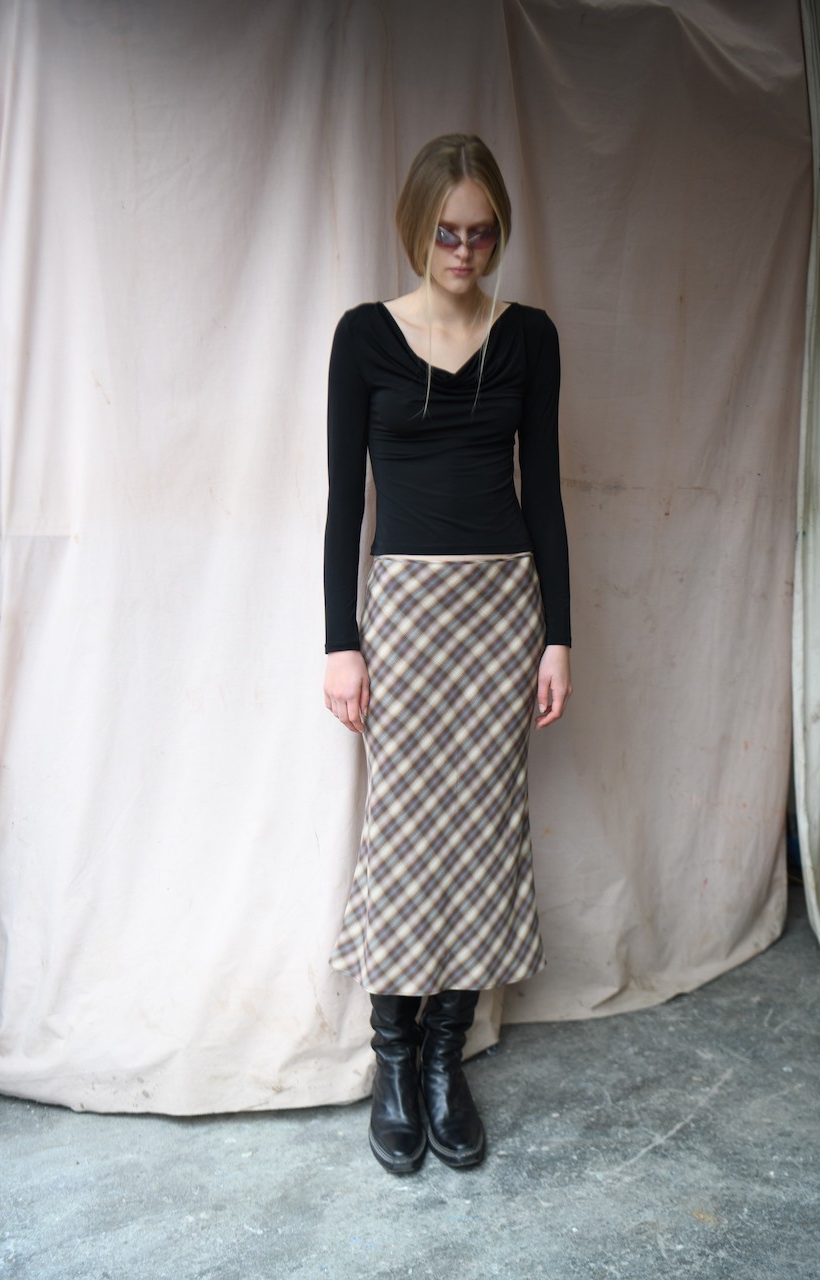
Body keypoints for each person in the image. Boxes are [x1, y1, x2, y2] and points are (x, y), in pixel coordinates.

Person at [322, 133, 571, 1175]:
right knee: (403, 833)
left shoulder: (529, 337)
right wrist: (341, 641)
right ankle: (391, 1055)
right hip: (406, 612)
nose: (464, 251)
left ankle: (441, 1057)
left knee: (483, 831)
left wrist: (558, 635)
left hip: (501, 609)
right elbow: (346, 500)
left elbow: (543, 489)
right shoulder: (363, 336)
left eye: (481, 233)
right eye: (446, 233)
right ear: (415, 228)